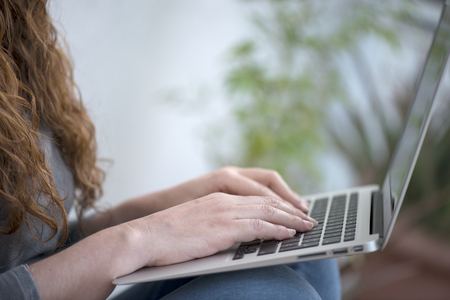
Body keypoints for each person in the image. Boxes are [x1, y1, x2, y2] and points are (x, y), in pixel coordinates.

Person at [0, 1, 341, 299]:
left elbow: (22, 254)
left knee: (304, 253)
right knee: (279, 293)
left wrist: (149, 212)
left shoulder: (18, 40)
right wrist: (139, 239)